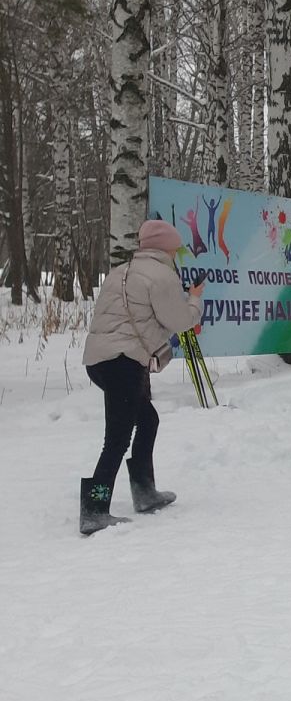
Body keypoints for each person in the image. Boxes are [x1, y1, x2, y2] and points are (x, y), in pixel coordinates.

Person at [78, 219, 206, 532]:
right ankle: (94, 508)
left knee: (147, 420)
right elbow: (180, 321)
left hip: (99, 361)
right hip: (123, 362)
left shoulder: (121, 272)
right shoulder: (161, 275)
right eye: (176, 249)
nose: (177, 254)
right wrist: (195, 298)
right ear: (168, 248)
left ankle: (144, 491)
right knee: (118, 438)